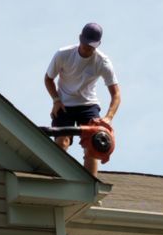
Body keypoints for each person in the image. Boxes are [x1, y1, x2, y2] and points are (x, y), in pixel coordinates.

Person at [44, 22, 121, 176]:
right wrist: (56, 100)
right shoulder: (63, 54)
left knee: (93, 144)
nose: (88, 49)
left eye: (92, 46)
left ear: (98, 44)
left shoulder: (103, 62)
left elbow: (116, 95)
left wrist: (108, 118)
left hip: (88, 105)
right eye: (85, 44)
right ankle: (58, 181)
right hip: (64, 104)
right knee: (61, 141)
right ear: (80, 38)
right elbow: (48, 79)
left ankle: (90, 190)